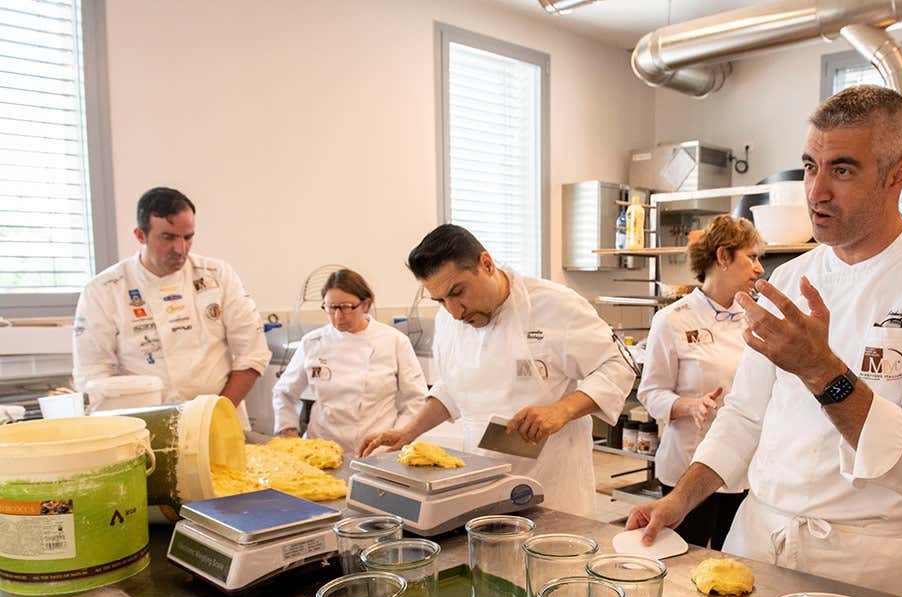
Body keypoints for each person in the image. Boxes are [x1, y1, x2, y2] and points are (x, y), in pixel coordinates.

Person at [627, 86, 902, 597]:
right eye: (809, 167)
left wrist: (822, 371)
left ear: (898, 175)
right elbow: (744, 416)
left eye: (842, 170)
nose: (816, 192)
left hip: (860, 564)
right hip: (756, 540)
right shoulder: (791, 277)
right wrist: (681, 501)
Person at [359, 225, 636, 515]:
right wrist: (408, 431)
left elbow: (618, 366)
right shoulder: (449, 321)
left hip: (551, 487)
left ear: (487, 264)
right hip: (479, 481)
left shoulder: (555, 305)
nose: (455, 311)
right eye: (441, 300)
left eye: (458, 291)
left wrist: (561, 411)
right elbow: (452, 387)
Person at [72, 187, 269, 421]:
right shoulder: (104, 290)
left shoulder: (217, 275)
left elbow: (252, 353)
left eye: (188, 237)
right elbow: (93, 374)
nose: (180, 249)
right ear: (140, 235)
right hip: (143, 425)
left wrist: (216, 415)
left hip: (219, 418)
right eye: (168, 237)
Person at [637, 215, 762, 549]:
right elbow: (650, 393)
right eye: (751, 256)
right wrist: (689, 405)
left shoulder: (754, 321)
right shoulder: (672, 320)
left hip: (743, 471)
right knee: (681, 559)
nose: (759, 268)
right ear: (723, 257)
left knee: (734, 561)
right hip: (687, 466)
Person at [272, 269, 427, 457]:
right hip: (319, 449)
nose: (338, 316)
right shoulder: (313, 342)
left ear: (365, 304)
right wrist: (290, 434)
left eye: (346, 307)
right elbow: (284, 392)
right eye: (331, 308)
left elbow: (415, 400)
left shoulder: (393, 341)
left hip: (375, 452)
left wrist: (394, 440)